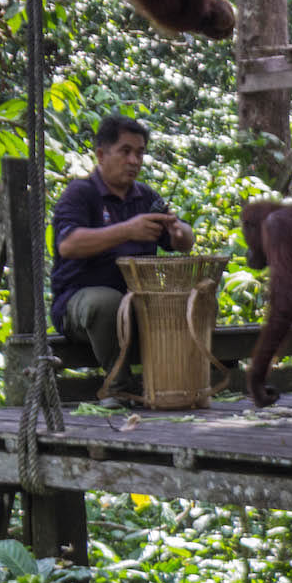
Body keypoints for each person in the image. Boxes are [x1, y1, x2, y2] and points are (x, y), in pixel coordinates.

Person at [50, 114, 194, 392]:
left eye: (139, 153)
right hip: (79, 305)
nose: (134, 161)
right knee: (108, 303)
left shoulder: (145, 196)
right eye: (125, 152)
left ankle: (176, 384)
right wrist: (127, 230)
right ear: (102, 155)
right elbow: (68, 245)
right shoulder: (80, 193)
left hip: (137, 303)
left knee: (189, 299)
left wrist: (178, 230)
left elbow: (184, 241)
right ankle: (120, 387)